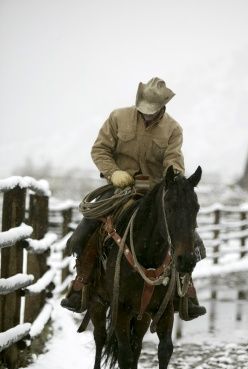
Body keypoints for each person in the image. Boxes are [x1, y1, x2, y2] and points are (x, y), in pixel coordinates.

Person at [61, 77, 206, 320]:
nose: (147, 115)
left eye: (153, 111)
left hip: (157, 192)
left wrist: (171, 180)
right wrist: (113, 172)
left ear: (163, 106)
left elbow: (174, 160)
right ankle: (81, 284)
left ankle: (185, 291)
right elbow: (100, 149)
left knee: (190, 238)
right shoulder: (118, 118)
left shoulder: (173, 129)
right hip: (119, 189)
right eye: (144, 109)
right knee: (85, 231)